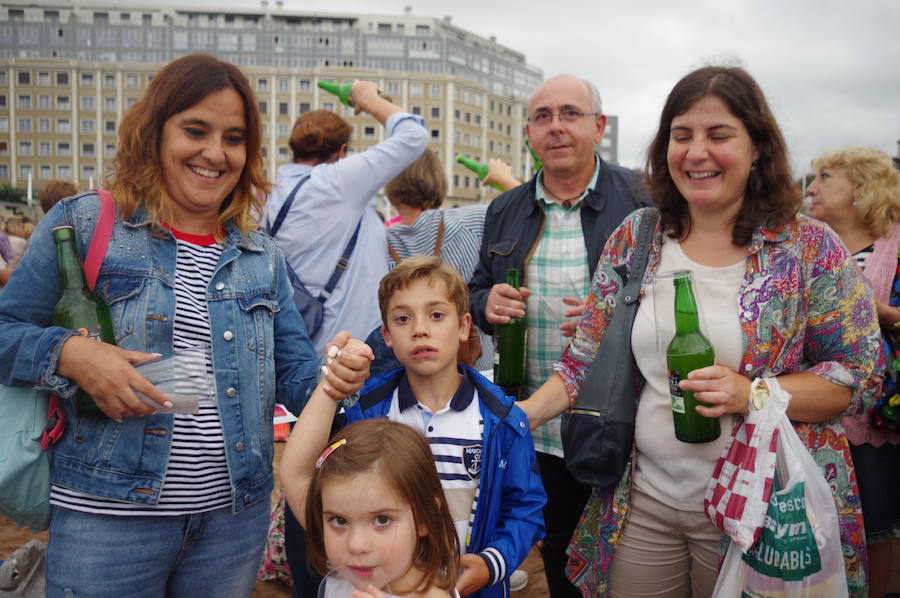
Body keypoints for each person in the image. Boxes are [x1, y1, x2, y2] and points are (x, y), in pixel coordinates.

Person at [0, 54, 370, 598]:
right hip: (109, 521)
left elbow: (297, 378)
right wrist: (69, 354)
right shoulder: (84, 223)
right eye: (195, 130)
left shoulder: (260, 256)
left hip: (232, 524)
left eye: (235, 138)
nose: (215, 153)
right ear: (154, 133)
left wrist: (341, 372)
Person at [520, 66, 882, 598]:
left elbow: (859, 379)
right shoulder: (637, 237)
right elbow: (584, 360)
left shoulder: (808, 248)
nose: (696, 153)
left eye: (719, 136)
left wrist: (751, 393)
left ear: (757, 146)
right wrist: (513, 418)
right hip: (644, 503)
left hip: (766, 510)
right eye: (682, 135)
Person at [468, 74, 649, 598]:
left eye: (569, 113)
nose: (556, 127)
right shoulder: (506, 208)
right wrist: (488, 302)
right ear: (528, 131)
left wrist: (609, 325)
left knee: (626, 546)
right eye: (542, 117)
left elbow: (671, 293)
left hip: (620, 417)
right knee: (560, 545)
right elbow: (477, 288)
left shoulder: (643, 199)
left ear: (598, 125)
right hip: (536, 418)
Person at [306, 256, 546, 598]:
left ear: (464, 326)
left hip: (472, 588)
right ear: (387, 335)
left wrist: (492, 563)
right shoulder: (369, 411)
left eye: (436, 315)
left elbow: (525, 507)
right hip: (384, 585)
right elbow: (328, 484)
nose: (419, 329)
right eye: (403, 318)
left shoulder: (502, 419)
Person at [265, 81, 429, 357]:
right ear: (341, 151)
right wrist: (368, 100)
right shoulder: (338, 181)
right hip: (356, 343)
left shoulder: (269, 192)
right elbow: (414, 135)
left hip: (299, 345)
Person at [807, 145, 900, 598]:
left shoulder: (896, 249)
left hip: (878, 417)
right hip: (813, 412)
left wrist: (886, 314)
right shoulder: (806, 247)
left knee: (876, 524)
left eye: (824, 177)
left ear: (860, 188)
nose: (810, 188)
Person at [281, 411, 461, 598]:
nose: (356, 545)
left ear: (426, 517)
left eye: (382, 519)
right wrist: (330, 391)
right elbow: (294, 474)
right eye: (339, 521)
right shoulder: (345, 570)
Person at [377, 151, 519, 374]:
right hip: (479, 372)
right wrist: (502, 178)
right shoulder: (473, 221)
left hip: (412, 379)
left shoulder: (377, 243)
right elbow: (530, 209)